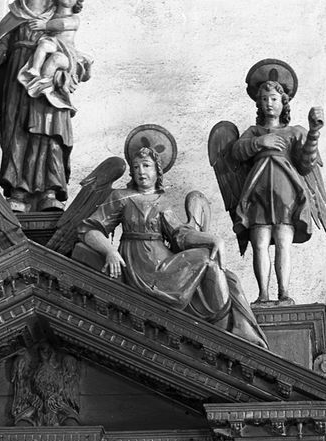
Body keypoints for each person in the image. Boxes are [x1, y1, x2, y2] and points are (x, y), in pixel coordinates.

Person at [76, 126, 263, 345]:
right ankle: (224, 327)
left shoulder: (162, 202)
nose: (140, 171)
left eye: (146, 166)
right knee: (206, 260)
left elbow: (180, 235)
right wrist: (109, 251)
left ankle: (232, 327)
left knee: (222, 270)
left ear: (157, 171)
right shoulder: (121, 196)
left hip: (162, 259)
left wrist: (212, 239)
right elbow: (89, 229)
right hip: (139, 263)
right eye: (136, 167)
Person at [208, 61, 326, 304]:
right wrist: (260, 144)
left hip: (286, 192)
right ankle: (263, 294)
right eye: (264, 99)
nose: (269, 103)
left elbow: (306, 163)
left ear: (283, 102)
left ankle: (284, 292)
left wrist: (314, 132)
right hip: (257, 191)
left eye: (274, 98)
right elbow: (236, 152)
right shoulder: (254, 132)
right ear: (258, 104)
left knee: (284, 241)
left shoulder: (295, 132)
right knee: (260, 243)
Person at [0, 0, 90, 209]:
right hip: (17, 83)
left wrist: (67, 69)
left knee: (49, 132)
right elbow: (0, 48)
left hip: (48, 85)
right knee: (17, 133)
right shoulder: (14, 16)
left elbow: (72, 53)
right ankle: (17, 192)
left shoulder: (59, 14)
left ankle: (50, 191)